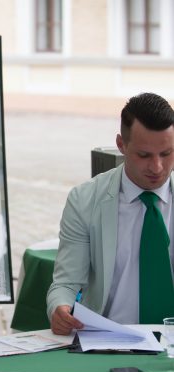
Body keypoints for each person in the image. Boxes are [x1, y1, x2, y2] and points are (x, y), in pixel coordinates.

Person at [47, 92, 174, 335]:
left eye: (167, 154)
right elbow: (66, 283)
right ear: (121, 145)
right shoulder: (84, 200)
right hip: (108, 339)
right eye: (144, 155)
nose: (157, 167)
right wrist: (60, 309)